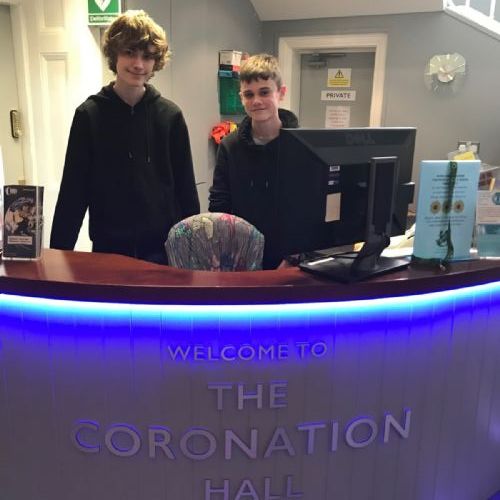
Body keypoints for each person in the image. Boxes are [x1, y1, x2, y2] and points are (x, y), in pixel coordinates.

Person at [50, 10, 200, 264]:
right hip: (108, 251)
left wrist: (192, 253)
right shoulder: (89, 115)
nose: (138, 64)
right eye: (130, 52)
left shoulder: (170, 116)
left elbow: (186, 191)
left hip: (163, 252)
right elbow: (73, 193)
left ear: (156, 62)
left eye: (147, 56)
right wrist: (58, 257)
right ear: (114, 54)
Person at [208, 53, 299, 269]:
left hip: (289, 260)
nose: (256, 101)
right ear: (241, 98)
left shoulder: (301, 145)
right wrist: (223, 251)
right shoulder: (229, 146)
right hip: (240, 257)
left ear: (281, 93)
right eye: (249, 94)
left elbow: (308, 209)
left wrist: (294, 257)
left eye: (264, 92)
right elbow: (220, 206)